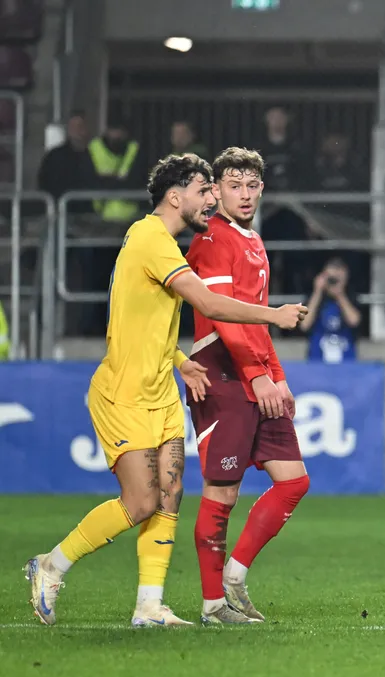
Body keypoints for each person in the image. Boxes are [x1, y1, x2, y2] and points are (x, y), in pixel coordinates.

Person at [24, 153, 307, 627]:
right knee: (141, 502)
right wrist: (273, 315)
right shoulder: (150, 238)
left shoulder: (168, 246)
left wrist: (180, 361)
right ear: (176, 197)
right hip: (124, 392)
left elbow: (144, 319)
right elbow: (210, 304)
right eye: (204, 190)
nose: (211, 199)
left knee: (171, 494)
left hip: (161, 390)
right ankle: (52, 565)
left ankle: (150, 605)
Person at [186, 147, 310, 625]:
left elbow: (257, 321)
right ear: (215, 191)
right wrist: (258, 377)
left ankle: (234, 577)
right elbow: (223, 315)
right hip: (221, 374)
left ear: (262, 189)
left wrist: (277, 377)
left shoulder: (253, 239)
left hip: (255, 373)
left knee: (294, 481)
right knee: (222, 493)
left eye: (252, 185)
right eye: (233, 185)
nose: (244, 194)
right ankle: (213, 605)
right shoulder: (211, 239)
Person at [299, 257, 362, 363]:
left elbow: (354, 321)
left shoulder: (350, 296)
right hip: (317, 361)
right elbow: (304, 325)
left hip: (346, 361)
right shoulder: (314, 298)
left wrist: (340, 295)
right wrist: (317, 292)